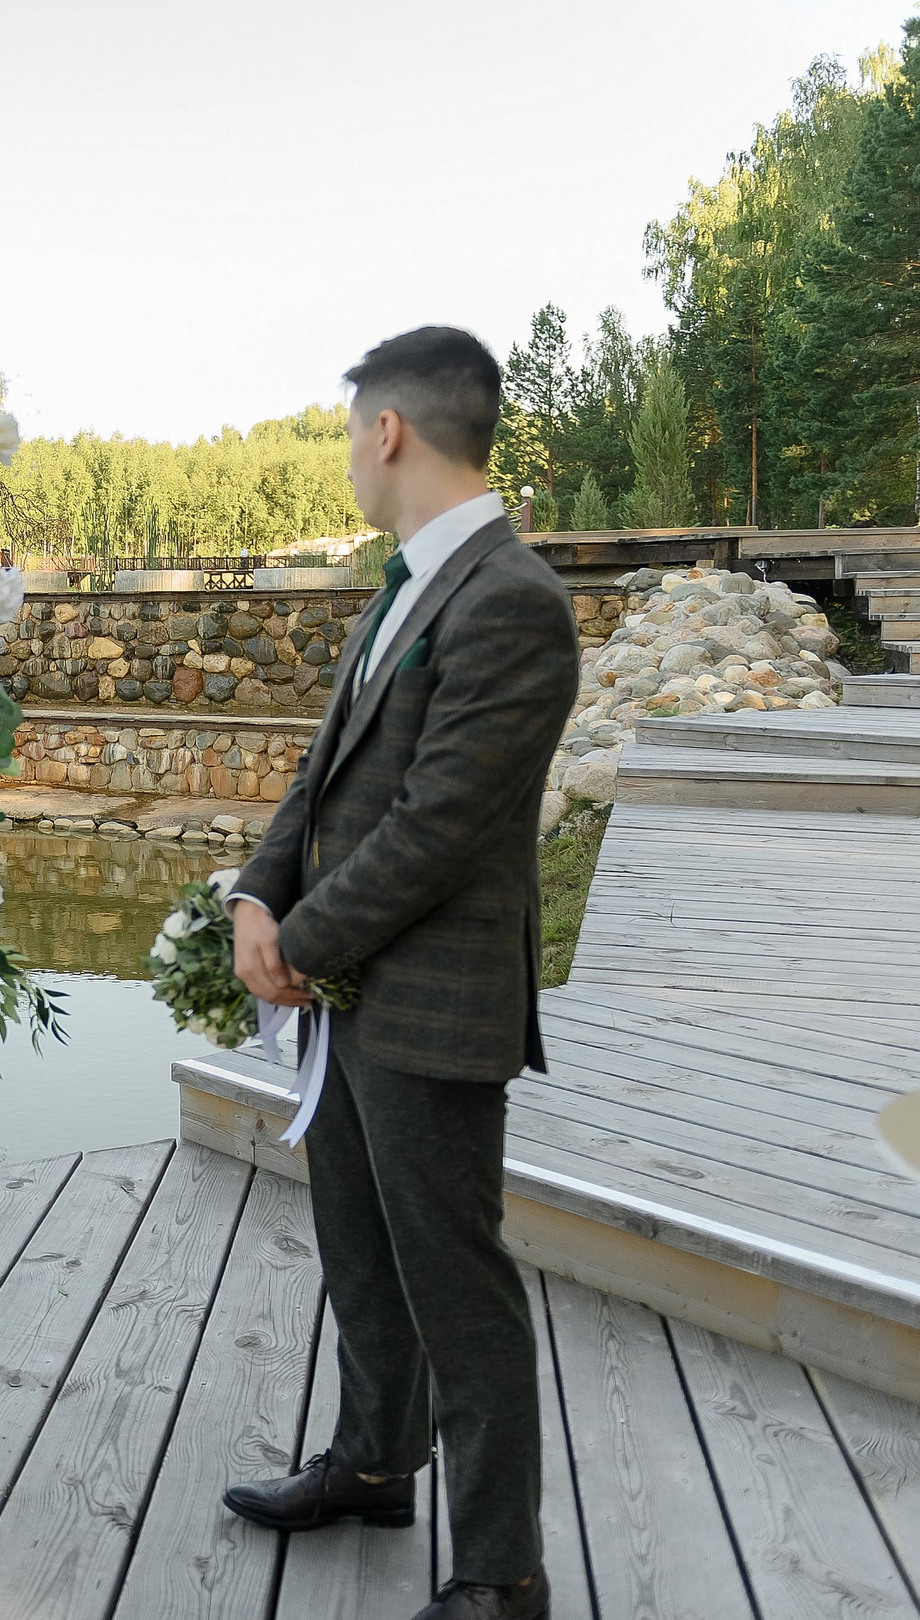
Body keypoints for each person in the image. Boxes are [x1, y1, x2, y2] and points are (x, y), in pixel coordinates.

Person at [218, 327, 576, 1620]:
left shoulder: (512, 600)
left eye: (348, 432)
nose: (347, 459)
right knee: (359, 1252)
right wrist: (263, 889)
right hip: (346, 999)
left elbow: (440, 823)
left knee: (456, 1287)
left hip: (428, 1005)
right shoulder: (405, 588)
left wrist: (299, 947)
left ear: (389, 432)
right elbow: (327, 781)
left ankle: (499, 1572)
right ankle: (375, 1462)